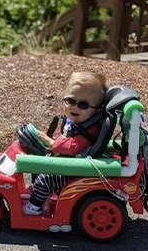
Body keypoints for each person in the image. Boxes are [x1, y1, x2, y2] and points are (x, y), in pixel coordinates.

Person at [23, 71, 107, 215]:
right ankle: (39, 194)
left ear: (96, 110)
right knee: (39, 163)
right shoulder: (76, 122)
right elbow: (65, 138)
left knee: (45, 179)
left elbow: (73, 147)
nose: (75, 107)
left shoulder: (90, 130)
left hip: (76, 171)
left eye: (83, 105)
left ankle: (33, 208)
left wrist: (51, 143)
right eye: (71, 101)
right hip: (68, 163)